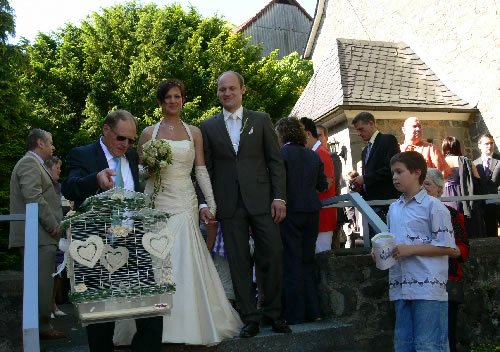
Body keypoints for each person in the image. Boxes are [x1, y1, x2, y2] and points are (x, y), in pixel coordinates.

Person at [61, 110, 163, 352]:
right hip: (97, 245)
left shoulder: (131, 159)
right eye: (121, 138)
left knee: (151, 310)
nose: (126, 144)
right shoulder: (82, 154)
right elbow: (69, 188)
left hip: (135, 243)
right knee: (100, 320)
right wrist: (95, 179)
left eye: (131, 140)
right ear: (106, 130)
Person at [200, 71, 290, 338]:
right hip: (229, 203)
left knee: (273, 253)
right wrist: (207, 203)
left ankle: (273, 313)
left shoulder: (261, 120)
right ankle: (249, 317)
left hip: (263, 200)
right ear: (217, 93)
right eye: (221, 90)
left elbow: (275, 161)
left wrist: (279, 197)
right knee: (238, 261)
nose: (226, 93)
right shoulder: (208, 126)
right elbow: (207, 168)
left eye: (231, 89)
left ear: (242, 90)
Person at [387, 151, 457, 352]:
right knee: (404, 346)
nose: (394, 177)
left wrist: (410, 250)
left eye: (399, 172)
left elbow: (447, 247)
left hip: (428, 288)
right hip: (401, 285)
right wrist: (383, 252)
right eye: (393, 173)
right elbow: (394, 243)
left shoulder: (434, 207)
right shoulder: (394, 208)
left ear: (417, 173)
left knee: (429, 346)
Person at [9, 129, 65, 339]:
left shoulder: (34, 164)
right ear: (40, 143)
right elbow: (33, 196)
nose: (53, 147)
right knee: (40, 284)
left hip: (40, 236)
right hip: (38, 236)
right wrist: (52, 224)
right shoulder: (28, 164)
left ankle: (42, 326)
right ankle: (41, 328)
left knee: (42, 283)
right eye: (50, 142)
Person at [275, 117, 328, 324]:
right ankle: (315, 311)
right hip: (312, 212)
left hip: (290, 213)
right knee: (307, 261)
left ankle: (295, 314)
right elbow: (322, 185)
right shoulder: (313, 156)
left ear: (281, 134)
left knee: (291, 262)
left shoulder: (281, 155)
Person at [423, 168, 470, 352]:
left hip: (446, 280)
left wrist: (447, 250)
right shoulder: (410, 213)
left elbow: (464, 248)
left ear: (439, 188)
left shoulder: (451, 214)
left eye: (427, 184)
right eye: (421, 184)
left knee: (447, 334)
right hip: (422, 280)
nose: (423, 188)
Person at [350, 112, 400, 237]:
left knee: (391, 240)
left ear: (371, 124)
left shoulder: (388, 140)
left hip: (387, 202)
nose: (359, 134)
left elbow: (391, 169)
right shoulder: (366, 150)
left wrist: (364, 179)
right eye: (357, 130)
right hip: (371, 204)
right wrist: (359, 185)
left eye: (361, 129)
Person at [300, 117, 337, 253]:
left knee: (321, 257)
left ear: (308, 134)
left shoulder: (320, 153)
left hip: (323, 216)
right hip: (318, 215)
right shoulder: (316, 152)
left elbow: (327, 182)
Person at [441, 136, 485, 238]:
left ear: (444, 148)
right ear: (458, 147)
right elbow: (478, 182)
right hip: (464, 195)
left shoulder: (441, 162)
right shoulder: (467, 161)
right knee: (466, 224)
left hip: (446, 196)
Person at [317, 124, 346, 248]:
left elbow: (331, 183)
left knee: (332, 250)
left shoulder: (333, 157)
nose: (317, 139)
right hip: (319, 212)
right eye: (315, 135)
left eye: (319, 135)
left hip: (331, 209)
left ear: (326, 137)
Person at [44, 155, 67, 318]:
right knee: (47, 271)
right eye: (57, 167)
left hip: (59, 233)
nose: (59, 170)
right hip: (48, 232)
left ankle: (53, 304)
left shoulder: (58, 186)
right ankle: (47, 306)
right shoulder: (44, 185)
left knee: (58, 270)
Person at [473, 133, 500, 237]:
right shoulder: (475, 164)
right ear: (479, 145)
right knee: (491, 234)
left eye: (491, 143)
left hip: (499, 201)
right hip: (484, 205)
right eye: (486, 144)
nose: (490, 146)